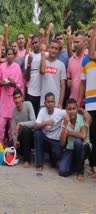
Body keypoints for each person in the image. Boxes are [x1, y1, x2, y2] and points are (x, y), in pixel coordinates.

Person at [78, 22, 96, 177]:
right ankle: (94, 167)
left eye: (93, 36)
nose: (91, 38)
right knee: (92, 136)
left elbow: (92, 55)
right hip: (90, 103)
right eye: (89, 36)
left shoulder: (92, 56)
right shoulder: (84, 61)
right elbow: (82, 84)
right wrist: (79, 102)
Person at [59, 99, 91, 182]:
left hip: (84, 148)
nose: (72, 111)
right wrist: (65, 126)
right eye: (69, 109)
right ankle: (76, 166)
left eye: (74, 109)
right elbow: (62, 144)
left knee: (77, 142)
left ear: (77, 109)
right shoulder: (65, 122)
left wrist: (68, 133)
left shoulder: (82, 118)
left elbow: (83, 135)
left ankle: (80, 172)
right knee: (62, 172)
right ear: (66, 110)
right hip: (70, 149)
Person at [0, 48, 24, 146]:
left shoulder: (17, 67)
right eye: (8, 54)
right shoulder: (2, 66)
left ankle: (13, 149)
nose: (10, 56)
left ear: (14, 55)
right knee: (0, 125)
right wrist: (2, 83)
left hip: (13, 100)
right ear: (6, 55)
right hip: (4, 100)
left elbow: (19, 85)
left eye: (12, 54)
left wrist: (12, 83)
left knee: (12, 127)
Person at [34, 92, 66, 172]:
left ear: (55, 102)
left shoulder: (60, 112)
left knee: (55, 160)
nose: (50, 104)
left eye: (52, 102)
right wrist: (46, 123)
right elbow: (36, 126)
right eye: (48, 102)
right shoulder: (42, 111)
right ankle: (39, 164)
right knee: (37, 134)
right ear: (45, 103)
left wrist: (83, 111)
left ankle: (53, 159)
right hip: (46, 139)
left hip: (56, 140)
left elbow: (72, 112)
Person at [11, 88, 36, 168]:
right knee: (10, 143)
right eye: (15, 98)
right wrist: (15, 140)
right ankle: (19, 153)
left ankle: (26, 160)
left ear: (22, 98)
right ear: (13, 99)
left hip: (31, 135)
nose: (17, 100)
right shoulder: (14, 111)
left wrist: (21, 124)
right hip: (21, 137)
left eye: (19, 97)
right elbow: (13, 129)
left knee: (25, 129)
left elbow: (34, 122)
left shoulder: (28, 104)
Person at [40, 39, 66, 108]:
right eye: (52, 48)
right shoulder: (43, 61)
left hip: (56, 103)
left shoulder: (61, 65)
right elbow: (42, 70)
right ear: (48, 48)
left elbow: (63, 86)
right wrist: (43, 52)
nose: (54, 50)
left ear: (58, 51)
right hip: (44, 102)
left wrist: (60, 103)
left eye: (56, 49)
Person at [24, 34, 42, 117]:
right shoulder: (28, 56)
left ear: (40, 42)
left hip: (42, 93)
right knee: (31, 117)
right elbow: (26, 78)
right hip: (31, 93)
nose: (35, 45)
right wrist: (29, 64)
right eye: (33, 43)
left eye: (36, 42)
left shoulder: (45, 55)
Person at [67, 31, 86, 101]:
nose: (75, 44)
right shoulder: (71, 60)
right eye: (74, 42)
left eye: (77, 42)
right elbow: (69, 79)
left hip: (87, 101)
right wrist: (68, 82)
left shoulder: (90, 58)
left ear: (84, 42)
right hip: (73, 100)